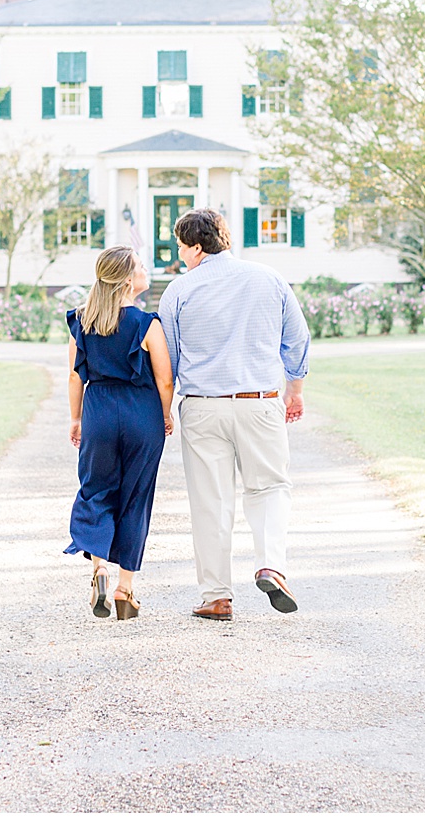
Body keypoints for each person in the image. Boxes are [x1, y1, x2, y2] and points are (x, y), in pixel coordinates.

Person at [157, 208, 310, 621]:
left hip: (203, 406)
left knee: (210, 500)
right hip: (259, 400)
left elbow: (168, 361)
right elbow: (297, 339)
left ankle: (217, 596)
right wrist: (294, 390)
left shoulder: (178, 291)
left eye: (180, 247)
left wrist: (165, 410)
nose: (180, 255)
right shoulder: (269, 278)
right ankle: (270, 566)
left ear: (195, 247)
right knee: (270, 487)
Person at [65, 246, 175, 620]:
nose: (145, 269)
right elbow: (164, 380)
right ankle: (125, 590)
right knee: (136, 496)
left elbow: (75, 376)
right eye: (141, 265)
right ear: (129, 279)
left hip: (98, 412)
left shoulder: (82, 321)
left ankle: (99, 568)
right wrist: (164, 415)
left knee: (96, 490)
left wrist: (76, 418)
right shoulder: (147, 324)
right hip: (141, 414)